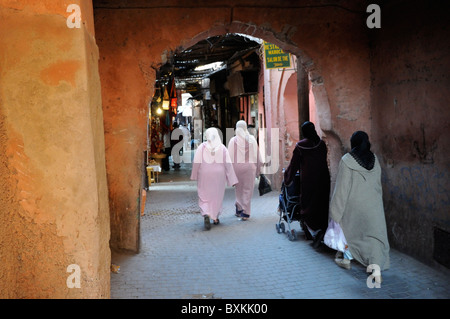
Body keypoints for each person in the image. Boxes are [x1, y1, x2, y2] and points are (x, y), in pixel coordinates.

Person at [328, 131, 390, 283]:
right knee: (374, 238)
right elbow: (377, 185)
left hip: (354, 207)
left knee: (349, 231)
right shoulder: (374, 159)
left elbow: (342, 189)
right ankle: (376, 271)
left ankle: (347, 259)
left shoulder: (347, 160)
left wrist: (335, 211)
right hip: (373, 207)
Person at [283, 121, 330, 247]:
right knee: (321, 204)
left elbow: (293, 165)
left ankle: (314, 231)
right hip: (324, 179)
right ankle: (322, 230)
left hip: (309, 181)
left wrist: (287, 178)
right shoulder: (321, 144)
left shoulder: (301, 146)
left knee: (308, 205)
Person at [190, 127, 238, 230]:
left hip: (204, 174)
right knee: (217, 196)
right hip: (219, 175)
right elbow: (228, 164)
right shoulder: (222, 148)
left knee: (204, 195)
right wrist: (232, 179)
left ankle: (206, 213)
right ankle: (215, 218)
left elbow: (196, 162)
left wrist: (194, 175)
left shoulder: (202, 147)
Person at [227, 120, 262, 221]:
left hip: (237, 167)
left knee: (238, 189)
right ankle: (245, 212)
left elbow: (229, 157)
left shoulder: (233, 141)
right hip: (249, 168)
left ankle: (239, 209)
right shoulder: (251, 139)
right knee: (247, 190)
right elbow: (257, 155)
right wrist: (259, 169)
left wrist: (229, 172)